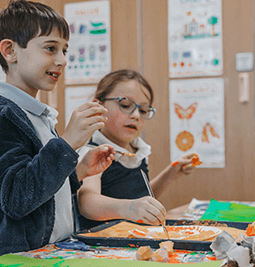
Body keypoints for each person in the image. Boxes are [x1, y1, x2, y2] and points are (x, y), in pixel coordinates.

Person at [0, 1, 115, 265]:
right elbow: (16, 198)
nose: (62, 60)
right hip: (5, 260)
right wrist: (66, 145)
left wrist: (77, 172)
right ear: (10, 51)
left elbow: (39, 186)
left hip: (47, 254)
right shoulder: (0, 119)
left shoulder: (36, 115)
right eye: (50, 48)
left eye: (64, 50)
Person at [75, 69, 197, 230]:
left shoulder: (138, 150)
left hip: (132, 239)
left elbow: (138, 198)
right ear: (99, 106)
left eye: (144, 110)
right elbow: (87, 202)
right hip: (102, 244)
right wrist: (130, 208)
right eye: (125, 105)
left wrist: (169, 175)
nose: (136, 115)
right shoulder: (93, 152)